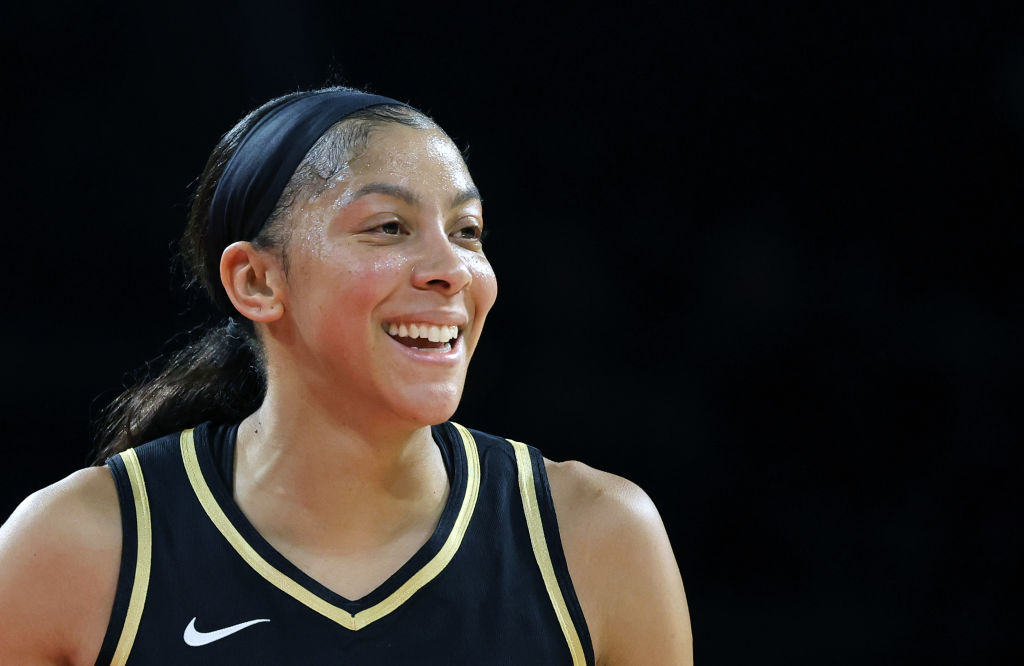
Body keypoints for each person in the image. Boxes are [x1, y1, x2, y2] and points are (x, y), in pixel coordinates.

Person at [0, 87, 692, 665]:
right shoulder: (78, 550)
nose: (451, 269)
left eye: (467, 231)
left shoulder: (594, 539)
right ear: (257, 281)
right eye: (389, 227)